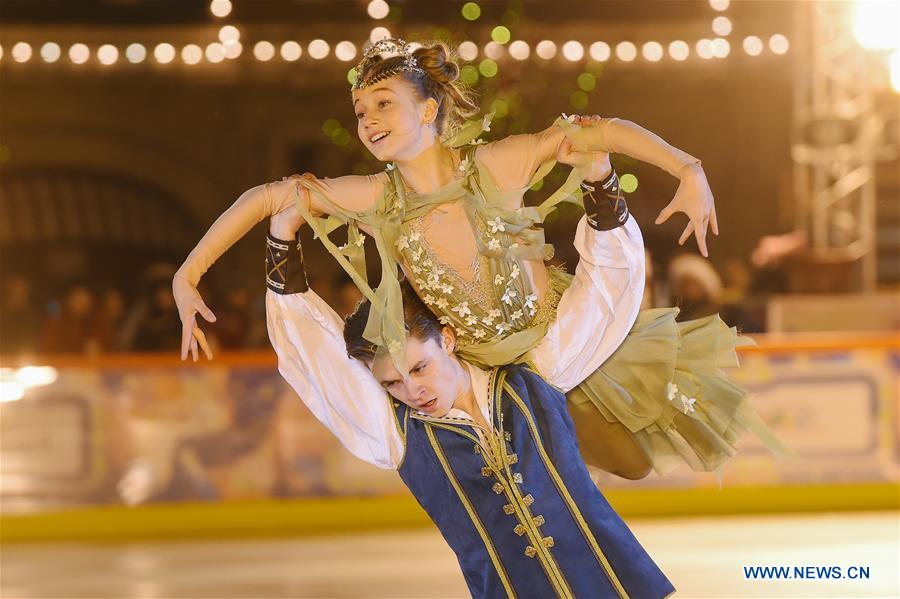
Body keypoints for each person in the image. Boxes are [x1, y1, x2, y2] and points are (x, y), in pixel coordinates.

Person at [174, 38, 788, 479]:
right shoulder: (374, 198)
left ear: (429, 109)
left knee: (628, 463)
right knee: (525, 495)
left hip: (562, 344)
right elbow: (269, 196)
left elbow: (595, 128)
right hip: (480, 384)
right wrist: (188, 273)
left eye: (383, 103)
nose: (367, 120)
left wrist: (688, 167)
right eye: (360, 111)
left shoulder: (496, 165)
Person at [263, 183, 673, 597]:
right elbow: (314, 353)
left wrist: (600, 181)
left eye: (419, 367)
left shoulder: (534, 375)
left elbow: (602, 292)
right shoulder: (398, 434)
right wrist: (283, 233)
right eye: (391, 383)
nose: (412, 390)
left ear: (448, 339)